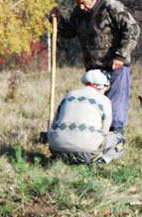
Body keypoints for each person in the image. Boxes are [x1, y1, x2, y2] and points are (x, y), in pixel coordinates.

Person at [50, 0, 139, 135]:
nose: (80, 6)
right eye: (78, 3)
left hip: (115, 68)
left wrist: (121, 55)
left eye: (83, 3)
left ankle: (114, 143)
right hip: (93, 72)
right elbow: (69, 32)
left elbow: (132, 29)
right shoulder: (78, 12)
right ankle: (92, 145)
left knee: (115, 109)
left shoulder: (112, 7)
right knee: (93, 109)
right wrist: (58, 20)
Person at [49, 69, 124, 164]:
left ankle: (61, 158)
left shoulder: (68, 96)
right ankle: (101, 162)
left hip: (57, 149)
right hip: (86, 153)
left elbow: (54, 122)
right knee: (119, 139)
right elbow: (105, 131)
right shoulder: (104, 100)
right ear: (102, 86)